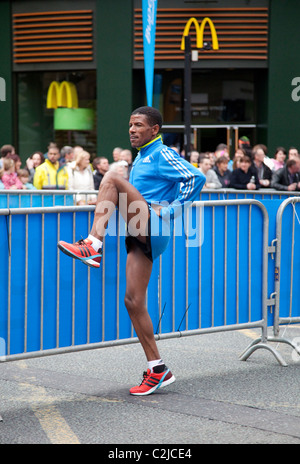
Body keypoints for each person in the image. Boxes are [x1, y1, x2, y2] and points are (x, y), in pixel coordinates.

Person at [58, 106, 205, 396]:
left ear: (155, 130)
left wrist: (172, 210)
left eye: (138, 125)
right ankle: (158, 368)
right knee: (133, 301)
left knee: (112, 176)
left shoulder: (161, 153)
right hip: (140, 229)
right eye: (130, 125)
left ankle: (92, 245)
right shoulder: (142, 157)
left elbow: (196, 178)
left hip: (154, 225)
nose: (132, 130)